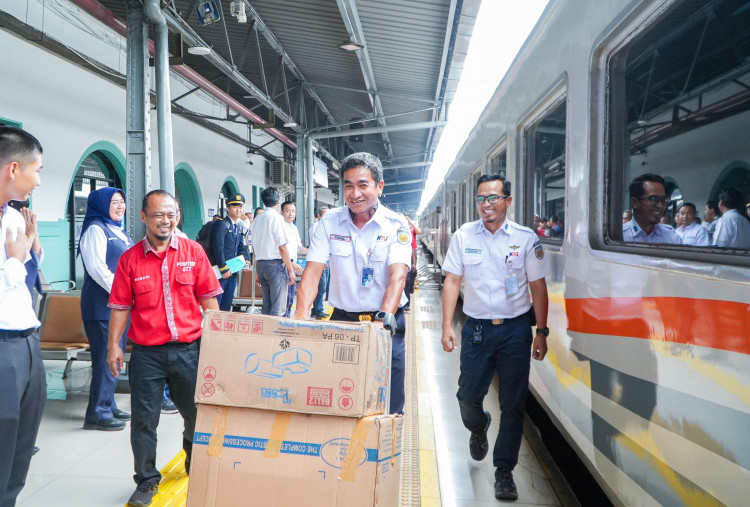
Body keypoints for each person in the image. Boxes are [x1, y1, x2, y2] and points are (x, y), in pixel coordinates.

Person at [106, 190, 221, 507]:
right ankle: (146, 480)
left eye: (171, 214)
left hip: (189, 350)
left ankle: (193, 460)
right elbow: (120, 306)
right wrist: (113, 345)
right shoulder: (130, 260)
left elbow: (209, 301)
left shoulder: (193, 252)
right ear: (143, 217)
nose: (166, 220)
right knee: (144, 420)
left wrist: (220, 345)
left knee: (196, 414)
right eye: (158, 215)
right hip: (147, 354)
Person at [440, 173, 550, 501]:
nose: (486, 205)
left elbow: (538, 288)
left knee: (513, 403)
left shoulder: (526, 239)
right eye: (481, 199)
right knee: (467, 396)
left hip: (515, 329)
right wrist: (447, 324)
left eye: (493, 198)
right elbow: (451, 281)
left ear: (508, 201)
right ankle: (478, 425)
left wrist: (540, 332)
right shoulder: (463, 236)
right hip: (476, 328)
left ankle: (504, 472)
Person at [293, 152, 411, 414]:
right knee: (339, 398)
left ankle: (388, 451)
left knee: (388, 402)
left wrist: (383, 321)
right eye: (348, 185)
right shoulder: (329, 222)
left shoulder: (395, 224)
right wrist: (299, 318)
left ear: (379, 187)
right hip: (343, 320)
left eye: (363, 185)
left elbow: (398, 275)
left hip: (386, 322)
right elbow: (312, 272)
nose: (355, 193)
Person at [0, 126, 45, 507]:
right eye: (37, 170)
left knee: (21, 442)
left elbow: (20, 286)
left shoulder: (13, 219)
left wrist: (28, 250)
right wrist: (15, 260)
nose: (39, 180)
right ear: (14, 168)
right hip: (2, 347)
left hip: (27, 340)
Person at [78, 187, 133, 431]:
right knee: (104, 358)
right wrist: (123, 291)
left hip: (119, 307)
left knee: (115, 356)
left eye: (122, 202)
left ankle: (108, 404)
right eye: (114, 202)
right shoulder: (95, 230)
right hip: (101, 306)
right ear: (101, 205)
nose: (120, 206)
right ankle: (97, 413)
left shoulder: (119, 232)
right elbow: (98, 268)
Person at [251, 187, 295, 316]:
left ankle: (265, 335)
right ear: (279, 201)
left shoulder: (257, 219)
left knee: (267, 305)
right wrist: (290, 269)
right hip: (275, 265)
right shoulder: (277, 218)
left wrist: (257, 269)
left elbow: (254, 247)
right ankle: (274, 335)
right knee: (278, 307)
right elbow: (282, 246)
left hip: (261, 265)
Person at [210, 193, 250, 311]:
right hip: (221, 272)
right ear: (227, 208)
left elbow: (242, 246)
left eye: (240, 207)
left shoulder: (238, 226)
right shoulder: (222, 224)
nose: (238, 210)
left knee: (227, 304)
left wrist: (246, 260)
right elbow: (218, 248)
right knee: (217, 303)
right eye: (234, 207)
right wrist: (224, 268)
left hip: (233, 272)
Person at [623, 174, 680, 244]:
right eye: (654, 199)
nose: (660, 205)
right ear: (635, 202)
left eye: (663, 199)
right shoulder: (620, 236)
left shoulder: (671, 238)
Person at [281, 202, 308, 317]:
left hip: (291, 267)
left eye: (293, 211)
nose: (291, 214)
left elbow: (299, 248)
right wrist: (292, 263)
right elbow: (281, 249)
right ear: (282, 212)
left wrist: (315, 254)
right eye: (287, 211)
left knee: (290, 298)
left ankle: (287, 323)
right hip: (283, 266)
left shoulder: (294, 227)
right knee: (284, 299)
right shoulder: (281, 227)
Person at [309, 206, 330, 319]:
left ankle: (318, 309)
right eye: (325, 214)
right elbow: (316, 247)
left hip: (326, 260)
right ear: (319, 216)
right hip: (319, 261)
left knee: (323, 287)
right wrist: (322, 261)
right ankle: (317, 309)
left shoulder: (327, 227)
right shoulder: (316, 228)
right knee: (320, 287)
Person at [403, 214, 421, 311]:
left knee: (410, 278)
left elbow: (419, 231)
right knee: (405, 280)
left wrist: (410, 222)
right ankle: (405, 304)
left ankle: (410, 291)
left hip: (411, 254)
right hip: (403, 255)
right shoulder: (400, 229)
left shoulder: (411, 229)